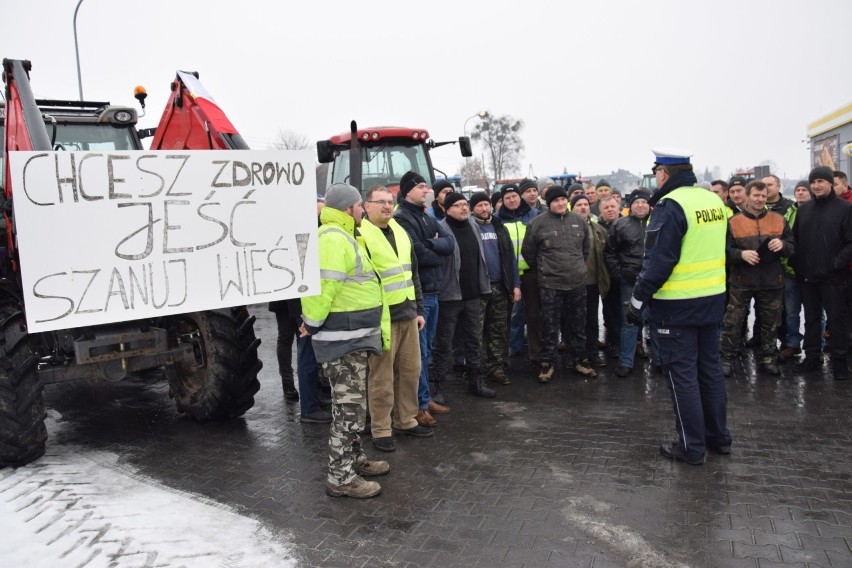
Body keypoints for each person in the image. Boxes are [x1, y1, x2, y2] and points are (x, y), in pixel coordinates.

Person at [627, 149, 731, 465]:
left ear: (664, 173)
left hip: (677, 306)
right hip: (712, 300)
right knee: (710, 370)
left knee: (682, 375)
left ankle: (691, 447)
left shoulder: (671, 206)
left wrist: (636, 300)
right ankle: (718, 439)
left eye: (657, 170)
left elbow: (659, 262)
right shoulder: (712, 201)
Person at [300, 182, 391, 499]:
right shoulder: (334, 240)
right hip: (342, 345)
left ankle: (355, 461)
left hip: (352, 342)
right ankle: (340, 479)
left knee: (353, 409)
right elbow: (321, 289)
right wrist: (310, 324)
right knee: (348, 413)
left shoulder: (344, 236)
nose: (363, 210)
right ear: (347, 208)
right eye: (359, 205)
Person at [360, 186, 433, 453]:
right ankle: (381, 428)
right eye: (381, 202)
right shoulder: (361, 235)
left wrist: (419, 310)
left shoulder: (400, 232)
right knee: (381, 376)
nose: (388, 207)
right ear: (367, 206)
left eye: (390, 202)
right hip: (381, 318)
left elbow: (413, 275)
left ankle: (406, 419)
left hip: (407, 314)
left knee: (410, 371)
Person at [394, 171, 455, 427]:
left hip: (434, 292)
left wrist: (431, 245)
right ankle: (417, 406)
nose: (426, 191)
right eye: (421, 187)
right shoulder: (401, 218)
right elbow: (416, 254)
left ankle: (424, 397)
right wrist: (434, 246)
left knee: (426, 351)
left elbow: (449, 245)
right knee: (417, 354)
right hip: (419, 296)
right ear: (408, 190)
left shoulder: (426, 216)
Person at [719, 180, 795, 376]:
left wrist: (783, 246)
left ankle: (768, 357)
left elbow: (792, 247)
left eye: (763, 195)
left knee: (771, 323)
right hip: (742, 280)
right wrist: (740, 255)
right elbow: (723, 251)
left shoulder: (778, 219)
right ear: (748, 196)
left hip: (772, 280)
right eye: (756, 195)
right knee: (733, 321)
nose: (760, 199)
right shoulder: (733, 222)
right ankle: (727, 358)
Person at [522, 186, 597, 382]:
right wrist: (545, 270)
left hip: (577, 283)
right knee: (549, 325)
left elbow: (585, 250)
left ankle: (579, 360)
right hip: (550, 284)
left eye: (563, 200)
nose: (561, 203)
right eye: (556, 200)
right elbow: (528, 252)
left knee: (578, 324)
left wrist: (576, 268)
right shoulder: (537, 223)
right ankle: (548, 363)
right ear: (549, 203)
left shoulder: (579, 222)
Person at [432, 192, 496, 398]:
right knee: (444, 343)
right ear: (447, 209)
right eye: (458, 205)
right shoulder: (440, 229)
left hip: (472, 294)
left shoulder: (473, 226)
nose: (463, 208)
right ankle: (438, 387)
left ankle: (476, 382)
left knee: (474, 341)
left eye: (464, 204)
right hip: (449, 296)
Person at [791, 166, 852, 380]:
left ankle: (840, 362)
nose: (816, 185)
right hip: (808, 277)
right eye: (813, 181)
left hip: (834, 277)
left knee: (837, 321)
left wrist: (836, 263)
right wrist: (797, 264)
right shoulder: (804, 210)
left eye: (821, 181)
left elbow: (850, 243)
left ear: (829, 183)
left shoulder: (844, 209)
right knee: (811, 319)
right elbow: (795, 240)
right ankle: (812, 358)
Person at [469, 192, 521, 385]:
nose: (484, 209)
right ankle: (476, 370)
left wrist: (516, 284)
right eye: (479, 205)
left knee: (498, 329)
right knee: (476, 331)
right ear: (472, 208)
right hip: (478, 289)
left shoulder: (499, 226)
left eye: (486, 205)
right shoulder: (469, 227)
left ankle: (496, 367)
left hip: (501, 286)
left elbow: (510, 259)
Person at [606, 189, 652, 377]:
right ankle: (626, 361)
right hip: (630, 281)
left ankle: (661, 360)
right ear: (630, 206)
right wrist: (619, 274)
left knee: (657, 321)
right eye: (636, 202)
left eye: (644, 202)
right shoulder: (620, 225)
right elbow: (610, 252)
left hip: (656, 281)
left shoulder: (659, 223)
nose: (640, 205)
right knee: (629, 321)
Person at [497, 183, 541, 366]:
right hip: (507, 275)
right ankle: (510, 349)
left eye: (514, 196)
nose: (512, 200)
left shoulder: (533, 216)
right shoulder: (497, 220)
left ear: (519, 197)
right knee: (510, 315)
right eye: (507, 198)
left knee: (534, 314)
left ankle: (536, 353)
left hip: (530, 272)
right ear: (502, 201)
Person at [569, 193, 609, 367]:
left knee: (592, 320)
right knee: (574, 321)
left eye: (585, 204)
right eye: (578, 205)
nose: (583, 207)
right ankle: (576, 355)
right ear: (572, 208)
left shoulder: (598, 229)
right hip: (572, 283)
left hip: (592, 282)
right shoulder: (567, 228)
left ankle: (592, 352)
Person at [779, 180, 812, 361]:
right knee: (791, 311)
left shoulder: (815, 211)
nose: (800, 193)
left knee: (814, 313)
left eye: (803, 190)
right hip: (790, 271)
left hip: (811, 272)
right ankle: (793, 344)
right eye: (798, 190)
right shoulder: (789, 212)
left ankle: (816, 346)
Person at [597, 195, 623, 357]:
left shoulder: (626, 224)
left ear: (619, 208)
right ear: (600, 211)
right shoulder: (597, 227)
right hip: (604, 275)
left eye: (613, 206)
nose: (610, 210)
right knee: (609, 310)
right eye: (606, 208)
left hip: (623, 274)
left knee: (625, 311)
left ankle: (627, 343)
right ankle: (612, 341)